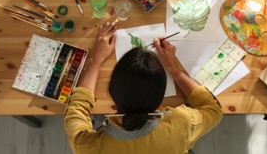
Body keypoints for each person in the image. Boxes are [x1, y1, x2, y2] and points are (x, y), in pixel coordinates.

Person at [64, 22, 222, 154]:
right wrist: (176, 70)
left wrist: (96, 59)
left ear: (112, 92)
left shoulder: (88, 147)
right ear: (160, 99)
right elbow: (213, 110)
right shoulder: (181, 125)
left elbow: (75, 109)